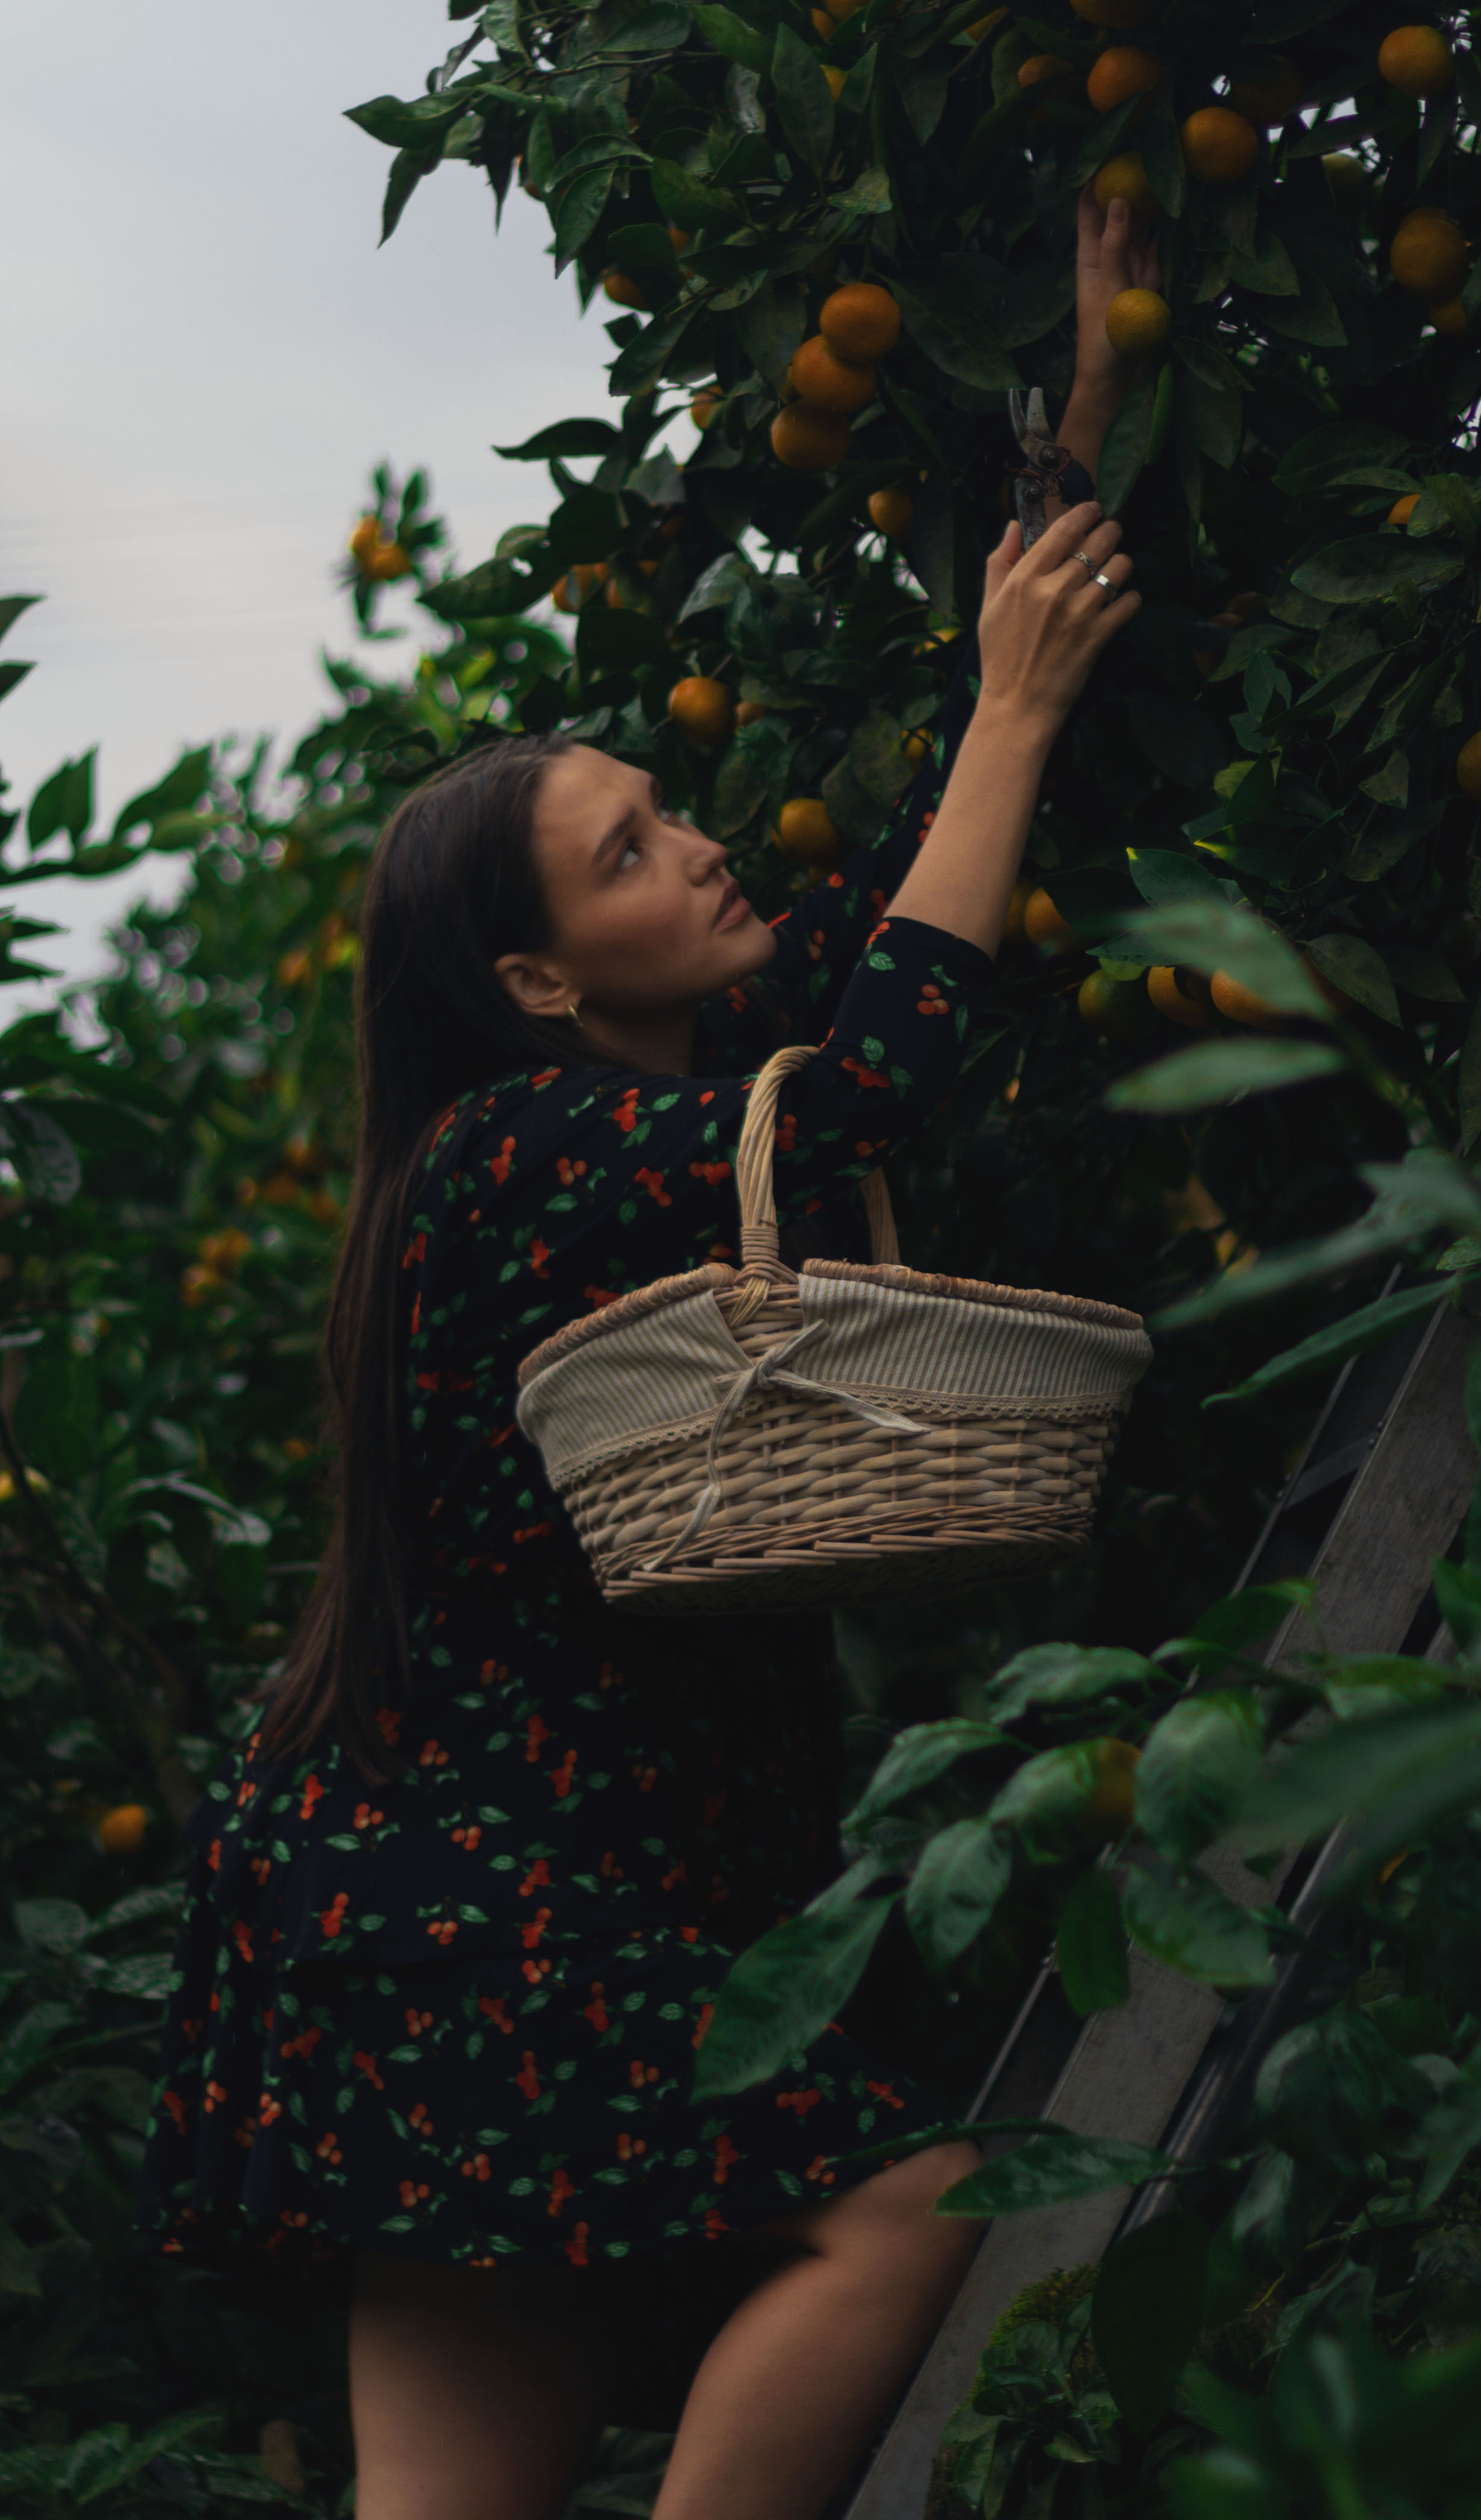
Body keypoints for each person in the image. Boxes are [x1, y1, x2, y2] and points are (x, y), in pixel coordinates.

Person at [136, 198, 1154, 2520]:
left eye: (666, 809)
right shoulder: (530, 1160)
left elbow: (903, 928)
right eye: (629, 853)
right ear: (535, 982)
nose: (696, 846)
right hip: (484, 1914)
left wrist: (1058, 477)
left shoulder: (623, 1130)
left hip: (436, 1904)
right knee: (906, 2213)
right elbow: (886, 1071)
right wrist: (1014, 703)